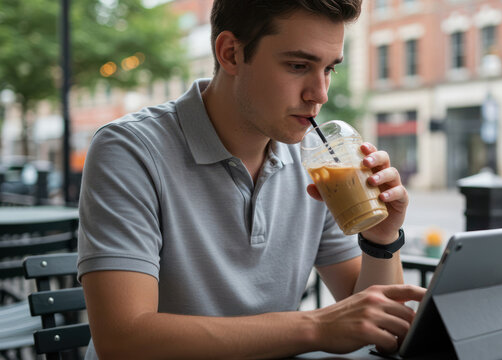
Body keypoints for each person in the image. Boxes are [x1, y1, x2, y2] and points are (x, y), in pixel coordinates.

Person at [77, 1, 427, 358]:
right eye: (298, 66)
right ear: (230, 53)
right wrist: (316, 327)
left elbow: (376, 324)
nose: (319, 93)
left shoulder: (316, 160)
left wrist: (381, 238)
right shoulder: (129, 149)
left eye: (329, 69)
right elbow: (121, 339)